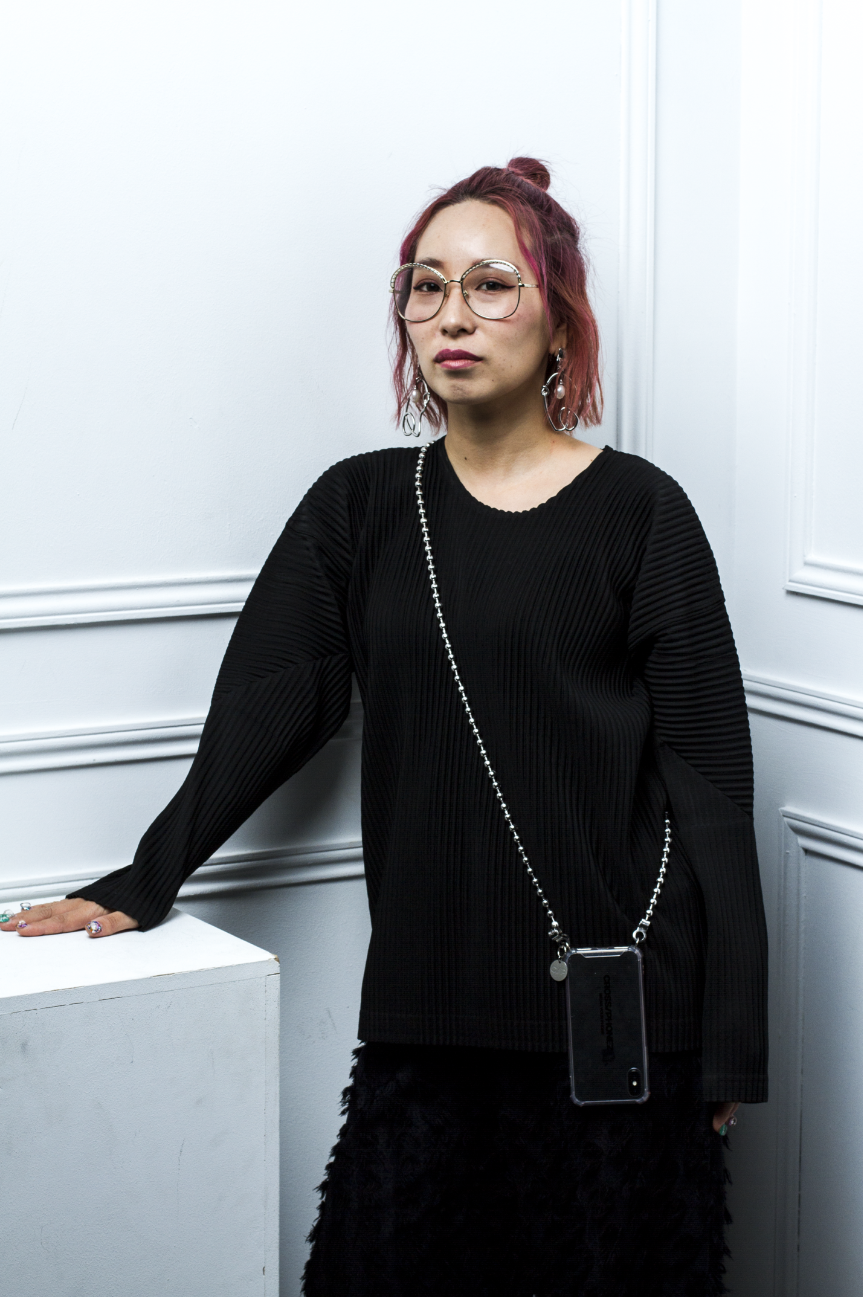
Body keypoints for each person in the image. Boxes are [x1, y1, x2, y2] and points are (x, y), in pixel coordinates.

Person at [2, 157, 767, 1296]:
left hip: (621, 1017)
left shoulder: (640, 509)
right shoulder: (359, 505)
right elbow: (273, 699)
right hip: (429, 1004)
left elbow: (705, 779)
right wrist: (147, 874)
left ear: (560, 323)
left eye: (491, 284)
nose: (451, 314)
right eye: (425, 285)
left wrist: (730, 1039)